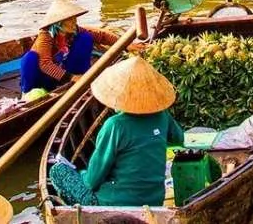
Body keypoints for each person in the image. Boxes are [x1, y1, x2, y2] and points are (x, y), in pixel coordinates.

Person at [47, 57, 183, 207]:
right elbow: (179, 138)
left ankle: (83, 213)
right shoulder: (162, 116)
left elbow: (92, 181)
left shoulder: (115, 125)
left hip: (113, 203)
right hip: (154, 201)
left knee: (57, 170)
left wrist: (83, 174)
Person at [20, 0, 120, 93]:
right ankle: (27, 93)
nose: (74, 22)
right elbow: (45, 64)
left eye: (75, 18)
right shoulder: (46, 35)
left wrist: (124, 43)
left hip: (62, 73)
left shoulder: (73, 31)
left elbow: (99, 35)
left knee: (85, 37)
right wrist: (71, 77)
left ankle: (81, 77)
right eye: (70, 19)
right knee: (30, 58)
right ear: (59, 23)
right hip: (43, 78)